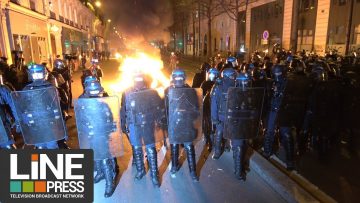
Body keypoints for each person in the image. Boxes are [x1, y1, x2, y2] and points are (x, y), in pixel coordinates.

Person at [76, 80, 119, 197]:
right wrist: (85, 129)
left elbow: (110, 119)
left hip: (101, 134)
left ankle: (110, 183)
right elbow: (80, 119)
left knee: (105, 159)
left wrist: (106, 131)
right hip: (91, 134)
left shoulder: (104, 105)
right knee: (95, 156)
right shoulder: (84, 105)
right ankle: (100, 173)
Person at [120, 72, 163, 187]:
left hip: (147, 123)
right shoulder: (127, 92)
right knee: (137, 149)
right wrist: (123, 123)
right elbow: (123, 108)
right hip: (133, 124)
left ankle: (154, 175)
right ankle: (140, 170)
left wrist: (159, 120)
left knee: (150, 149)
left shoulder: (151, 92)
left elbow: (158, 107)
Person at [21, 63, 69, 149]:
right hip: (36, 124)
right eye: (35, 74)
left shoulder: (50, 88)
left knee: (52, 146)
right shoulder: (26, 90)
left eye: (39, 74)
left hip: (50, 123)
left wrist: (63, 129)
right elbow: (23, 107)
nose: (37, 76)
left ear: (44, 74)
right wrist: (23, 121)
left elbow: (57, 107)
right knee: (40, 147)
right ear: (31, 75)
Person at [165, 69, 200, 181]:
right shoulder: (170, 91)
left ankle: (185, 169)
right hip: (181, 124)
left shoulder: (188, 91)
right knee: (182, 146)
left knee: (182, 146)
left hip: (181, 124)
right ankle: (188, 170)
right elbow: (165, 109)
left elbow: (196, 109)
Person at [211, 68, 237, 159]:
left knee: (220, 133)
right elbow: (214, 104)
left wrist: (214, 118)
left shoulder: (218, 86)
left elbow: (214, 104)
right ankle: (221, 152)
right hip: (228, 115)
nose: (234, 77)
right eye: (232, 76)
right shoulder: (235, 86)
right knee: (224, 134)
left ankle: (218, 152)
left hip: (223, 115)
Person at [200, 68, 220, 150]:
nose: (211, 75)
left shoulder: (218, 84)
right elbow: (200, 94)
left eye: (212, 74)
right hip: (206, 107)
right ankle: (208, 140)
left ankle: (213, 141)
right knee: (205, 125)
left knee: (214, 126)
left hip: (215, 108)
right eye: (210, 74)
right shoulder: (205, 83)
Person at [0, 78, 18, 149]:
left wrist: (17, 120)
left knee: (8, 147)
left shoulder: (2, 89)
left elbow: (13, 103)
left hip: (2, 128)